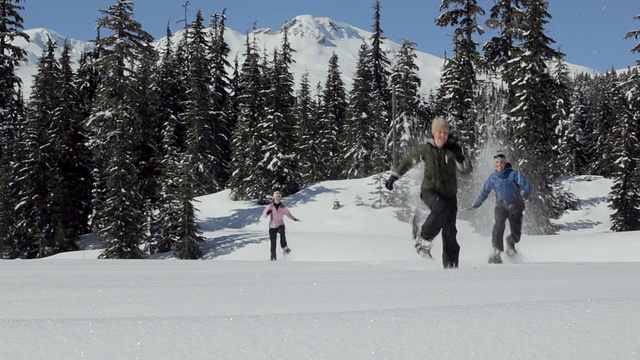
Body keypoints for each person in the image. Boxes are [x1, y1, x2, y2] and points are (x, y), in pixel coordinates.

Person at [385, 117, 472, 268]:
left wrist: (460, 158)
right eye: (439, 132)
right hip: (430, 191)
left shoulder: (454, 148)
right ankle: (424, 240)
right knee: (440, 207)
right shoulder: (426, 148)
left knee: (450, 232)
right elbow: (408, 161)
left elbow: (466, 171)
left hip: (450, 196)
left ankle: (451, 268)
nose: (442, 135)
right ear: (434, 133)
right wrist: (394, 176)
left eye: (445, 132)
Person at [469, 153, 532, 264]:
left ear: (505, 163)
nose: (499, 165)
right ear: (494, 164)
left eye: (502, 162)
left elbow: (526, 185)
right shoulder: (492, 178)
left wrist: (526, 194)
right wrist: (477, 203)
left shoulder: (513, 175)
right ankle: (496, 251)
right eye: (497, 162)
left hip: (515, 206)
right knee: (498, 224)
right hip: (501, 206)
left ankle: (510, 242)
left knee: (516, 235)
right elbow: (484, 192)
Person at [262, 191, 300, 261]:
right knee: (273, 244)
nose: (277, 198)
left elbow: (288, 214)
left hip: (280, 225)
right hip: (272, 226)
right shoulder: (270, 206)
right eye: (276, 197)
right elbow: (264, 215)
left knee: (282, 234)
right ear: (274, 198)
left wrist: (294, 219)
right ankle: (273, 258)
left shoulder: (282, 207)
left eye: (279, 197)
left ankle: (285, 248)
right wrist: (267, 213)